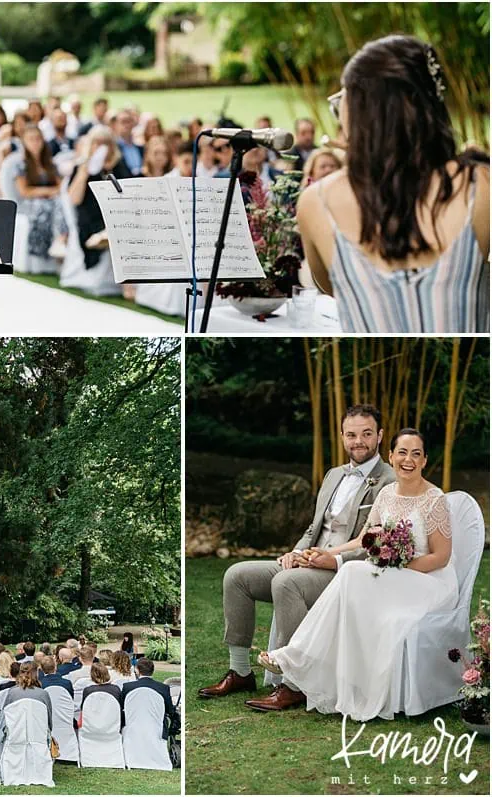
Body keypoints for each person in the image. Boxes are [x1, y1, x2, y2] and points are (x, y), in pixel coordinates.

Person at [198, 404, 396, 710]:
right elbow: (314, 527)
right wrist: (295, 552)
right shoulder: (334, 475)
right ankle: (240, 671)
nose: (359, 441)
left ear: (380, 436)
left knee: (287, 584)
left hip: (345, 570)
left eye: (366, 434)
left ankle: (294, 684)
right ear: (342, 437)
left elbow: (378, 542)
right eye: (351, 434)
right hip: (309, 561)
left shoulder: (389, 480)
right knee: (236, 576)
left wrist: (331, 559)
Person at [261, 429, 457, 720]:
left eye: (417, 454)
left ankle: (297, 655)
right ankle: (315, 665)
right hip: (391, 577)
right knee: (353, 572)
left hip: (428, 581)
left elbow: (442, 556)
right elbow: (365, 539)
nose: (409, 459)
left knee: (354, 570)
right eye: (402, 452)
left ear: (425, 461)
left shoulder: (433, 499)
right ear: (391, 457)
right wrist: (330, 554)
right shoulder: (387, 494)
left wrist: (400, 566)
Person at [297, 35, 489, 332]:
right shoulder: (480, 184)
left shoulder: (317, 202)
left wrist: (364, 165)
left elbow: (334, 287)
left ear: (363, 115)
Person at [68, 126, 132, 270]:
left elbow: (127, 195)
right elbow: (74, 199)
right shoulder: (82, 166)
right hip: (91, 218)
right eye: (96, 143)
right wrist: (84, 172)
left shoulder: (119, 166)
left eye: (104, 143)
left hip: (115, 216)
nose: (100, 147)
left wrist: (109, 170)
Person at [15, 126, 68, 271]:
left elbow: (61, 186)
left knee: (60, 204)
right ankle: (44, 249)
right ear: (24, 142)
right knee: (45, 207)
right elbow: (24, 191)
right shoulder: (21, 165)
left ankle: (61, 239)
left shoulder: (49, 164)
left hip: (52, 200)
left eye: (38, 139)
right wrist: (47, 191)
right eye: (31, 140)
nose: (35, 143)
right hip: (31, 202)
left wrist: (53, 192)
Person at [121, 658, 178, 738]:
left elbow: (123, 707)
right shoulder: (163, 688)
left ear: (137, 670)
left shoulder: (128, 687)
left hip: (132, 727)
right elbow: (170, 710)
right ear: (152, 670)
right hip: (157, 729)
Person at [0, 662, 52, 742]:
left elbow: (5, 717)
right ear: (36, 674)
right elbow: (49, 722)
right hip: (38, 736)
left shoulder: (12, 693)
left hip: (16, 736)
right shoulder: (43, 694)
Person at [114, 110, 144, 176]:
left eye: (129, 121)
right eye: (123, 122)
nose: (127, 125)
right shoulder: (113, 148)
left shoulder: (141, 148)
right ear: (116, 125)